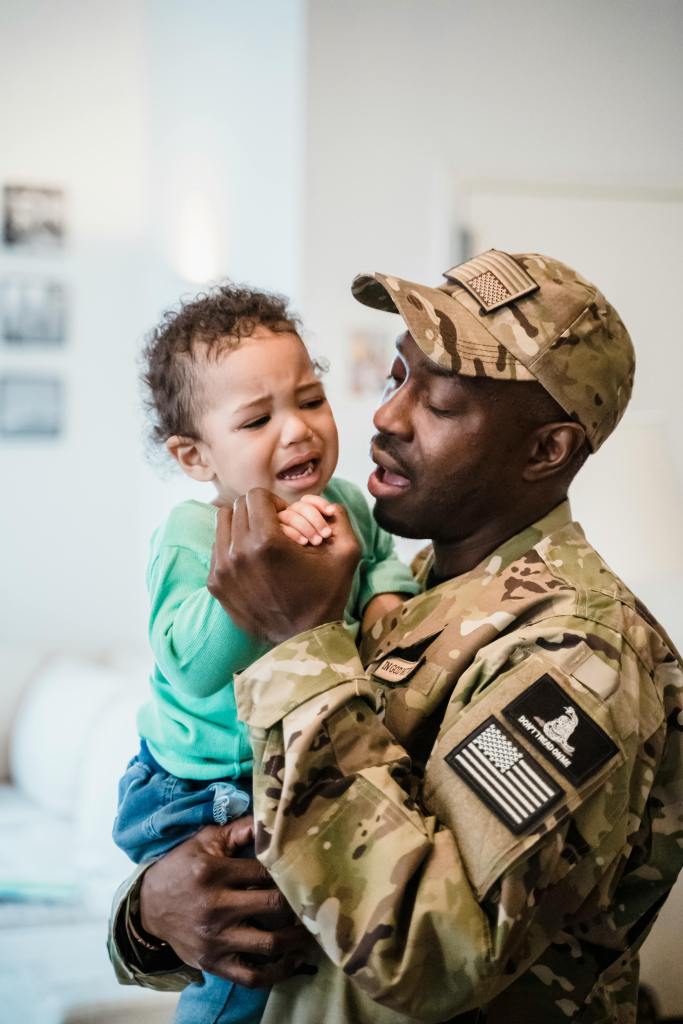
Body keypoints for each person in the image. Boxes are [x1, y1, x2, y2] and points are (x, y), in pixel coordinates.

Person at [109, 250, 683, 1023]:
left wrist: (298, 642)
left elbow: (434, 953)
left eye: (439, 405)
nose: (383, 416)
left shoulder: (577, 654)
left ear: (544, 450)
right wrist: (150, 913)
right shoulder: (400, 585)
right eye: (395, 378)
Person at [111, 283, 420, 1023]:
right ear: (193, 455)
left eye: (309, 400)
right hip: (206, 786)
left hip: (290, 767)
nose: (297, 431)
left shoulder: (344, 502)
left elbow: (381, 558)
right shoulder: (194, 535)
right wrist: (244, 588)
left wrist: (383, 597)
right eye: (256, 419)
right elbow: (188, 662)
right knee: (241, 964)